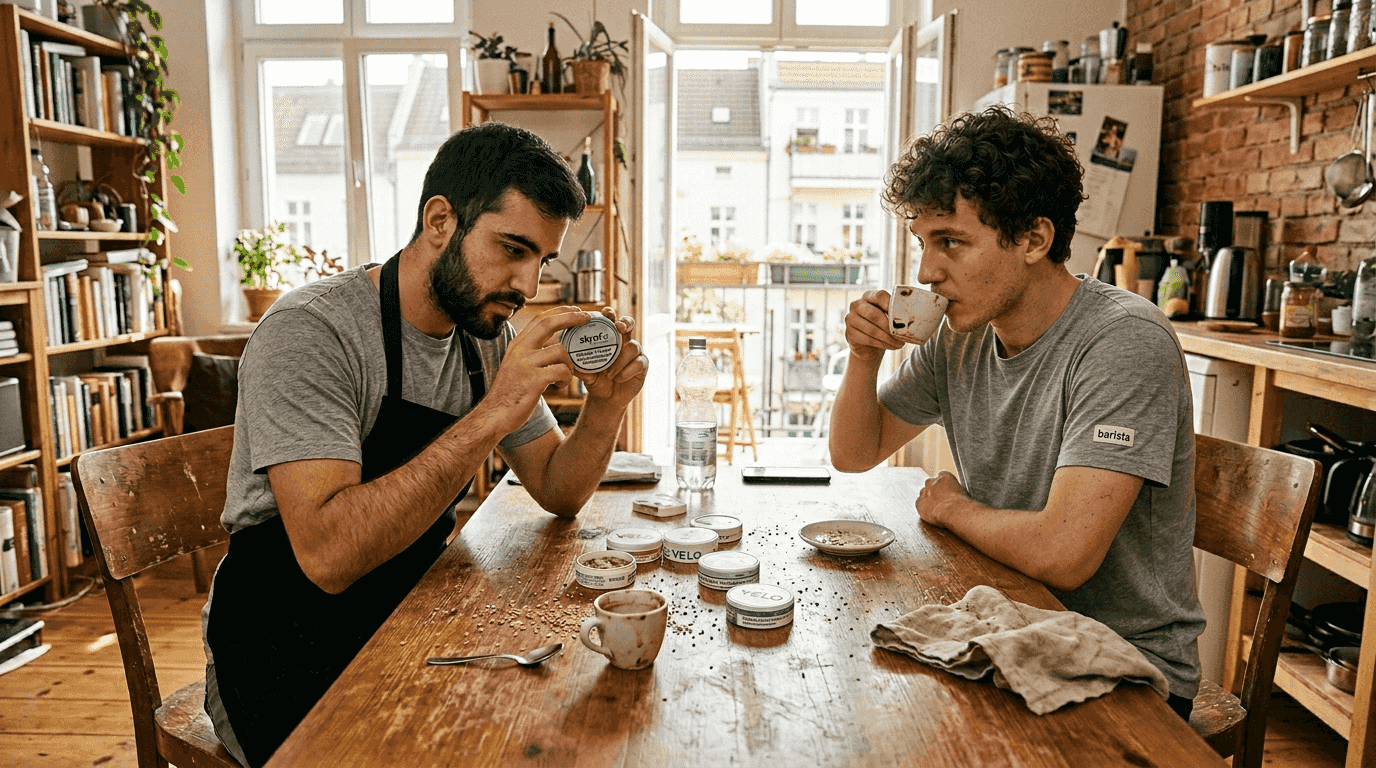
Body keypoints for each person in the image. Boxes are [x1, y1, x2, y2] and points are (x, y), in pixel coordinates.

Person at [202, 122, 648, 767]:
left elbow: (557, 487)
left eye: (541, 260)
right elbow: (327, 557)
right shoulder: (313, 332)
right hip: (284, 646)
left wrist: (606, 408)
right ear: (441, 219)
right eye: (512, 248)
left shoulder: (484, 337)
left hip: (409, 613)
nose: (526, 283)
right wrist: (495, 411)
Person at [829, 106, 1205, 718]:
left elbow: (1064, 554)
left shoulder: (1123, 341)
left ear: (1034, 239)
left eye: (951, 242)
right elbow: (853, 453)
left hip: (1126, 672)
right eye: (924, 243)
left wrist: (953, 508)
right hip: (1012, 626)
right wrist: (863, 356)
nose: (927, 272)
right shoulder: (961, 335)